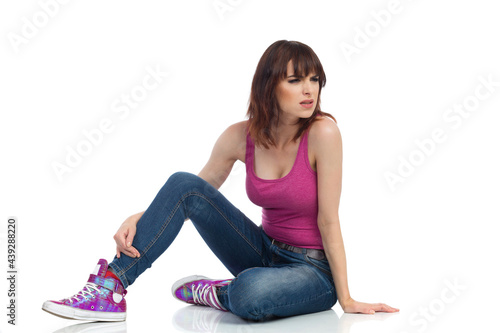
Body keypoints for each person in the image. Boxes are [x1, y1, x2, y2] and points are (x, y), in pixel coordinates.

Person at [42, 40, 399, 322]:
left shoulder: (324, 133)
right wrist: (141, 217)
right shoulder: (239, 136)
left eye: (314, 79)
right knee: (182, 181)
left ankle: (218, 292)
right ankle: (111, 286)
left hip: (312, 272)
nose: (309, 90)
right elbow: (191, 192)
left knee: (248, 295)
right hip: (262, 250)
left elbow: (328, 220)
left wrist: (347, 297)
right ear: (268, 86)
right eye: (295, 80)